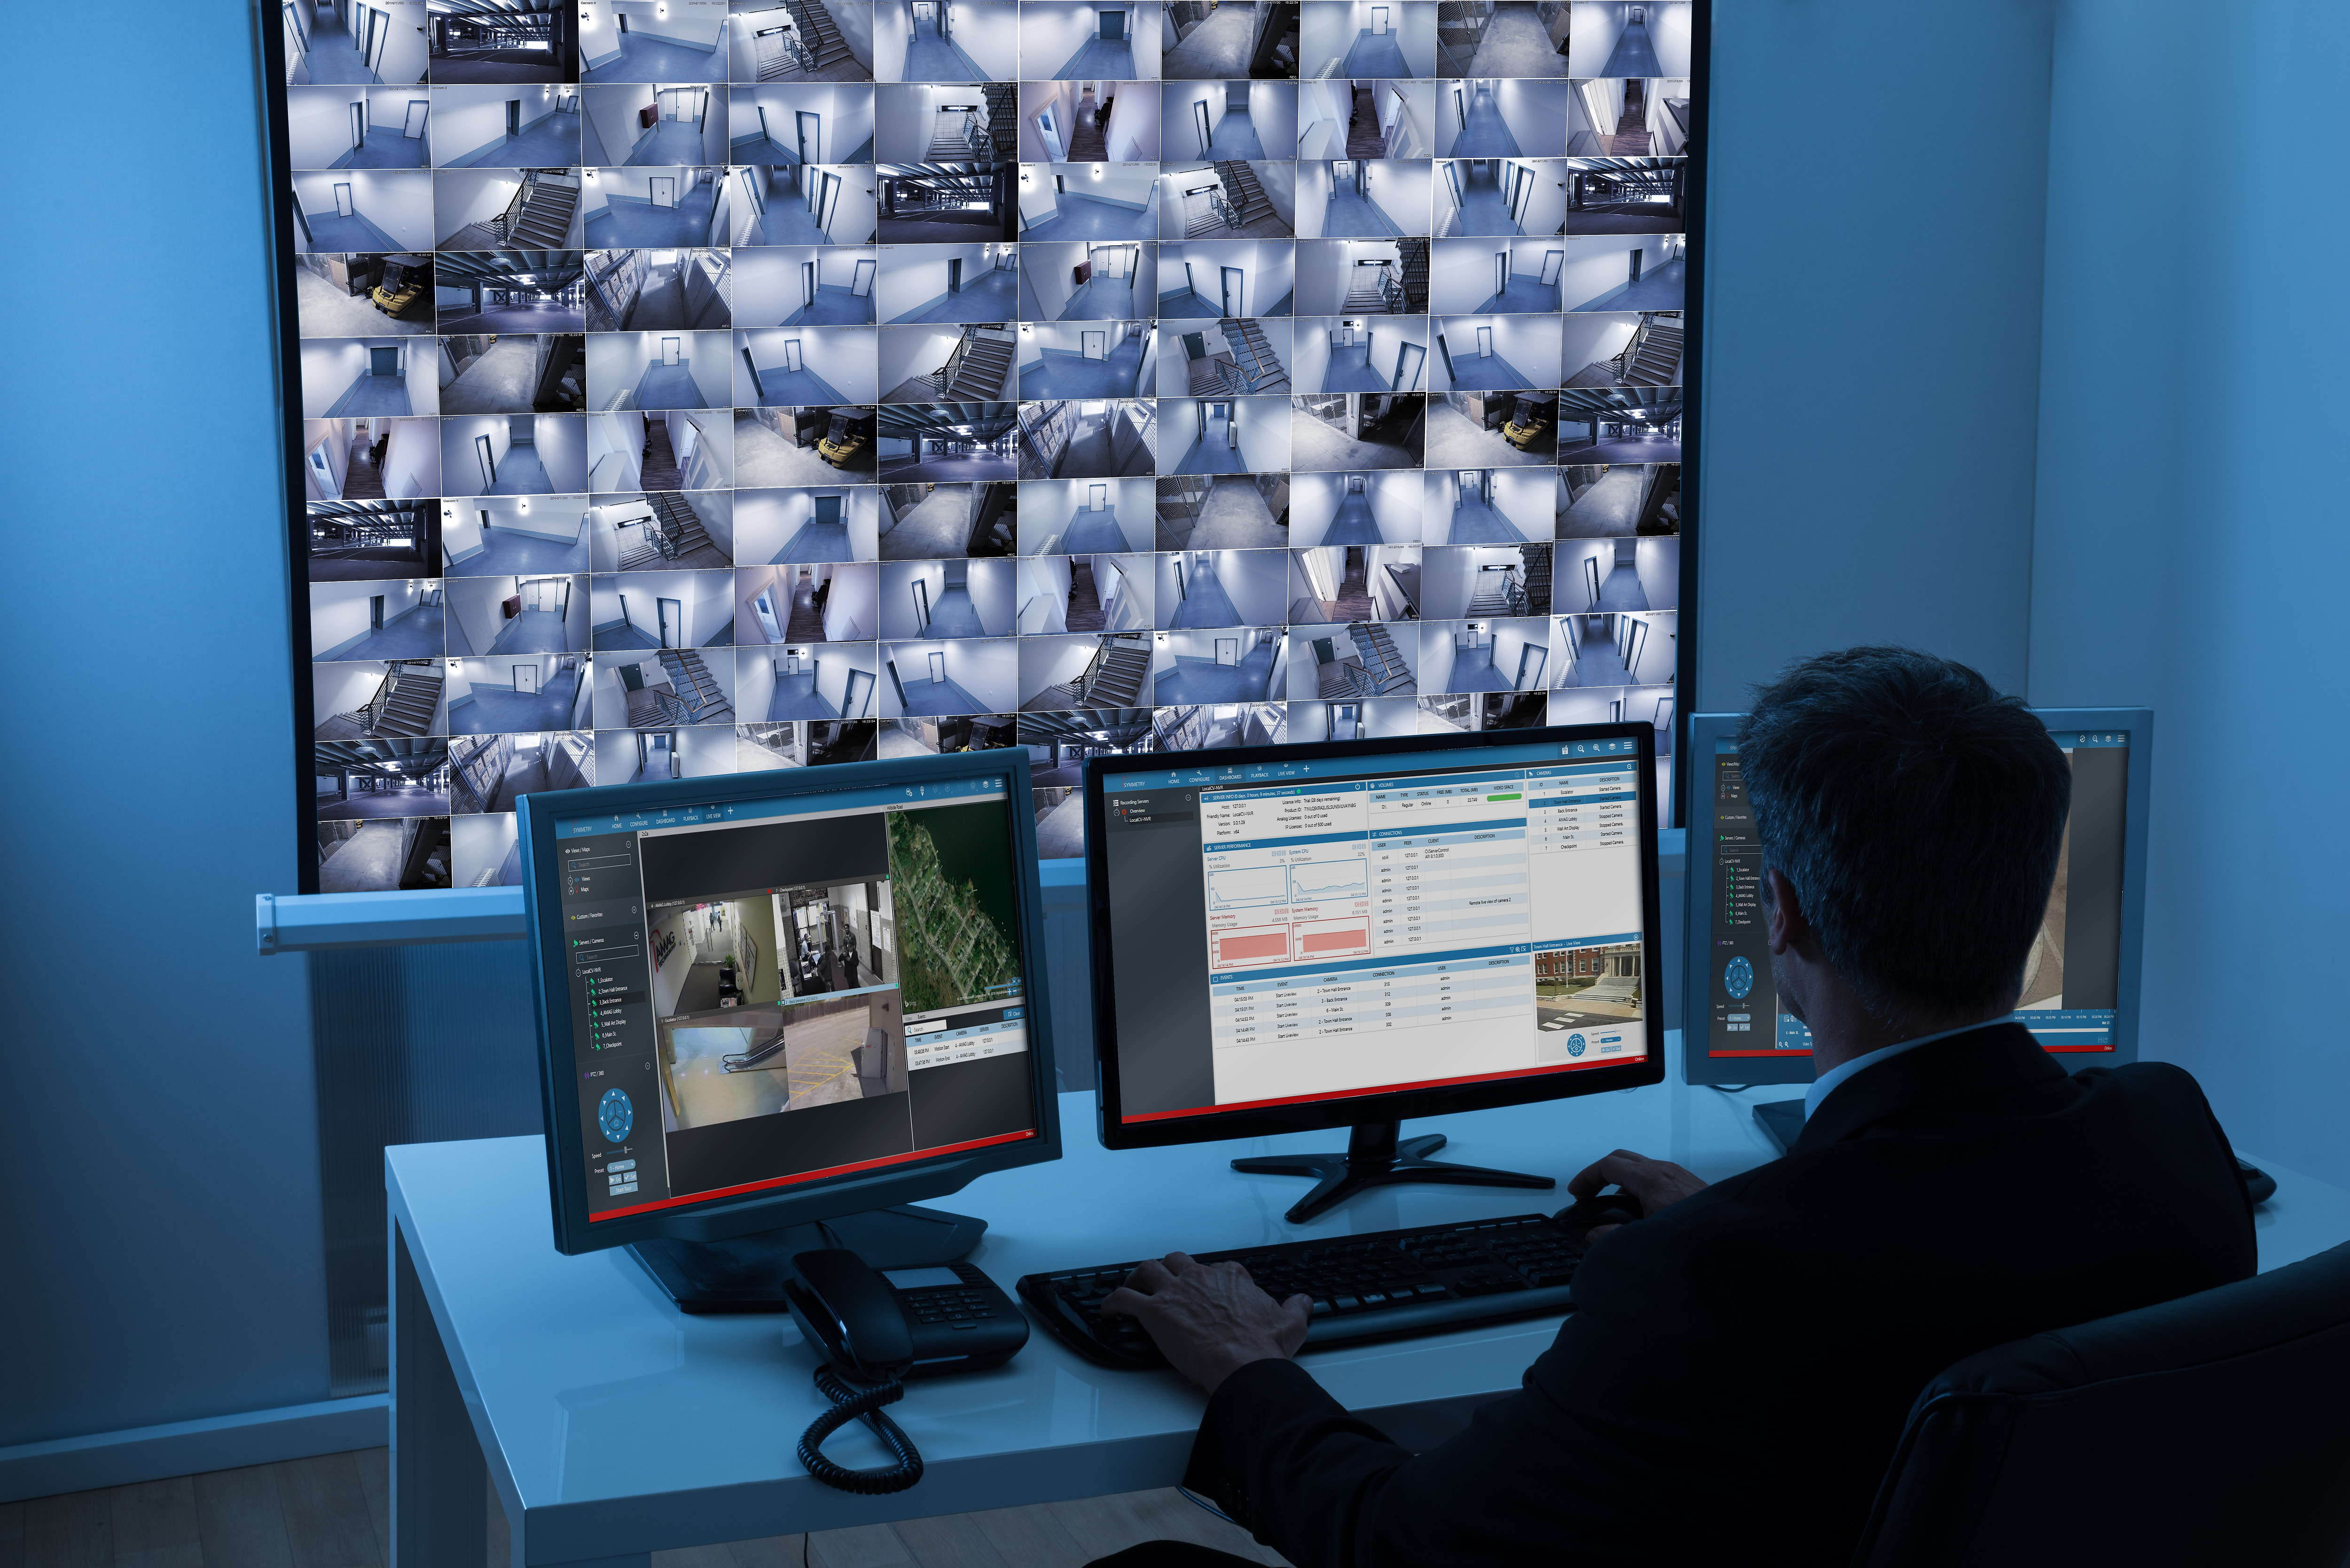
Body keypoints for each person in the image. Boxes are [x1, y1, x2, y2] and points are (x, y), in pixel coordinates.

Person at [1093, 647, 2257, 1568]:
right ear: (2031, 892)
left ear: (1782, 914)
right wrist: (1741, 1222)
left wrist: (1250, 1369)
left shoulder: (1708, 1282)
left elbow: (1402, 1540)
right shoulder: (2168, 1137)